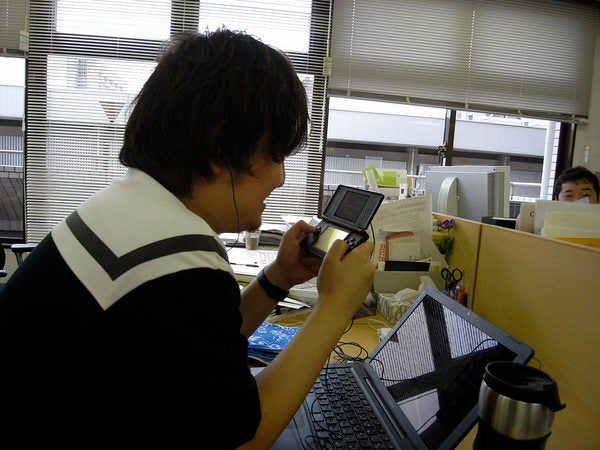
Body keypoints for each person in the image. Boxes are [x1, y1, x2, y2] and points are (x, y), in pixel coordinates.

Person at [0, 29, 375, 449]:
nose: (281, 177)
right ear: (219, 152)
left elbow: (199, 345)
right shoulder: (177, 259)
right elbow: (241, 440)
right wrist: (334, 308)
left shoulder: (127, 207)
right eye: (276, 155)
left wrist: (277, 279)